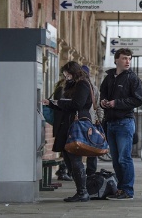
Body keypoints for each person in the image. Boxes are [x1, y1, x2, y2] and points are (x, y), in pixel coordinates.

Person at [42, 61, 94, 202]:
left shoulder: (82, 84)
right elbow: (67, 105)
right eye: (65, 75)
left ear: (74, 72)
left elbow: (77, 104)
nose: (66, 77)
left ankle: (83, 192)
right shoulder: (71, 85)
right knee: (68, 158)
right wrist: (51, 103)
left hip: (75, 125)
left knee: (74, 158)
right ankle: (81, 190)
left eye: (68, 74)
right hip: (67, 125)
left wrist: (58, 102)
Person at [99, 48, 142, 200]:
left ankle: (127, 190)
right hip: (110, 123)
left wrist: (116, 103)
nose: (127, 61)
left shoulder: (133, 78)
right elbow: (103, 94)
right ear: (116, 60)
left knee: (124, 158)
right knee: (116, 160)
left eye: (129, 59)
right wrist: (103, 102)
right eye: (124, 58)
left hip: (125, 122)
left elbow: (138, 100)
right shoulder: (109, 77)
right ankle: (120, 189)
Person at [81, 65, 104, 176]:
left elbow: (99, 107)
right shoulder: (93, 88)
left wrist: (98, 119)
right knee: (91, 147)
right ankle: (89, 172)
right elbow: (99, 107)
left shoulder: (93, 89)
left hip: (88, 122)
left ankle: (89, 172)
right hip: (88, 122)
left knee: (90, 147)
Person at [51, 75, 73, 181]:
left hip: (61, 122)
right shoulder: (62, 88)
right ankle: (63, 170)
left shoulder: (61, 87)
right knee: (66, 147)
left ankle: (64, 170)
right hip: (63, 122)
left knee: (65, 147)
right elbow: (59, 104)